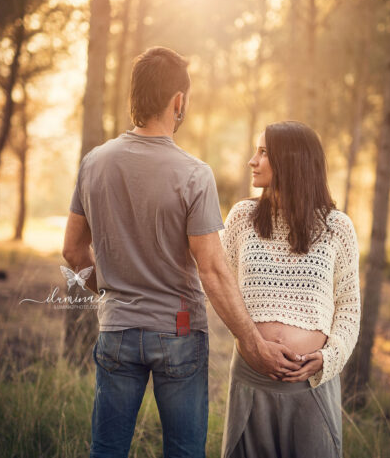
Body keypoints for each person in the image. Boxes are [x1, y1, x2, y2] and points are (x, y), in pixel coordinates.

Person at [62, 47, 303, 458]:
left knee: (106, 450)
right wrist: (253, 342)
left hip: (116, 329)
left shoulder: (93, 163)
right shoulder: (194, 174)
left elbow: (72, 251)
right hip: (179, 331)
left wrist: (114, 292)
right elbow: (212, 270)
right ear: (178, 101)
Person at [220, 121, 361, 458]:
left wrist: (328, 358)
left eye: (263, 152)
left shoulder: (337, 227)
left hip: (310, 388)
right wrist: (250, 342)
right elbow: (218, 286)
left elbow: (349, 309)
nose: (252, 161)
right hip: (251, 381)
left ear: (292, 160)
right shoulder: (242, 218)